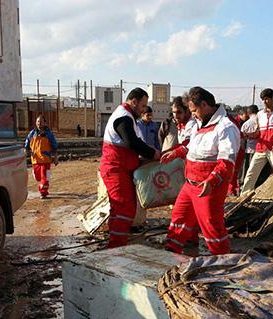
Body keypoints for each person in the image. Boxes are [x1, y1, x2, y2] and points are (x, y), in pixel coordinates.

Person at [161, 87, 240, 255]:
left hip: (208, 188)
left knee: (211, 225)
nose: (193, 114)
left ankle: (222, 261)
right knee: (179, 217)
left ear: (204, 105)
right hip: (190, 185)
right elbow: (191, 147)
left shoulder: (226, 128)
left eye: (194, 110)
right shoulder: (199, 124)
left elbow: (227, 162)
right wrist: (175, 153)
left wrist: (211, 181)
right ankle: (170, 252)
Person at [100, 88, 161, 248]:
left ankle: (115, 242)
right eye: (142, 106)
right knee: (124, 208)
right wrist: (153, 153)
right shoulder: (123, 117)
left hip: (121, 168)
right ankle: (116, 247)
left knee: (119, 208)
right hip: (115, 169)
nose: (143, 110)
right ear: (134, 102)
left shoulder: (127, 116)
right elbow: (132, 142)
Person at [240, 88, 273, 194]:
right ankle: (244, 194)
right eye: (263, 99)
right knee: (251, 172)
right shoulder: (260, 114)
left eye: (267, 99)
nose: (264, 102)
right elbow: (258, 132)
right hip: (261, 149)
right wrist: (248, 135)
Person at [24, 115, 59, 199]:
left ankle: (43, 192)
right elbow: (27, 143)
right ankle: (42, 188)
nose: (39, 123)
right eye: (38, 121)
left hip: (45, 159)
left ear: (45, 123)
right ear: (36, 123)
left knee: (44, 177)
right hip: (35, 159)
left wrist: (55, 158)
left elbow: (54, 146)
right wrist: (27, 150)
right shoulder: (32, 133)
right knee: (37, 176)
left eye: (41, 121)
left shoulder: (49, 134)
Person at [239, 105, 259, 185]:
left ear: (248, 113)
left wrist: (243, 149)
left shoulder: (245, 124)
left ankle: (245, 183)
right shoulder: (261, 122)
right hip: (260, 150)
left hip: (249, 150)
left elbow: (242, 140)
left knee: (248, 169)